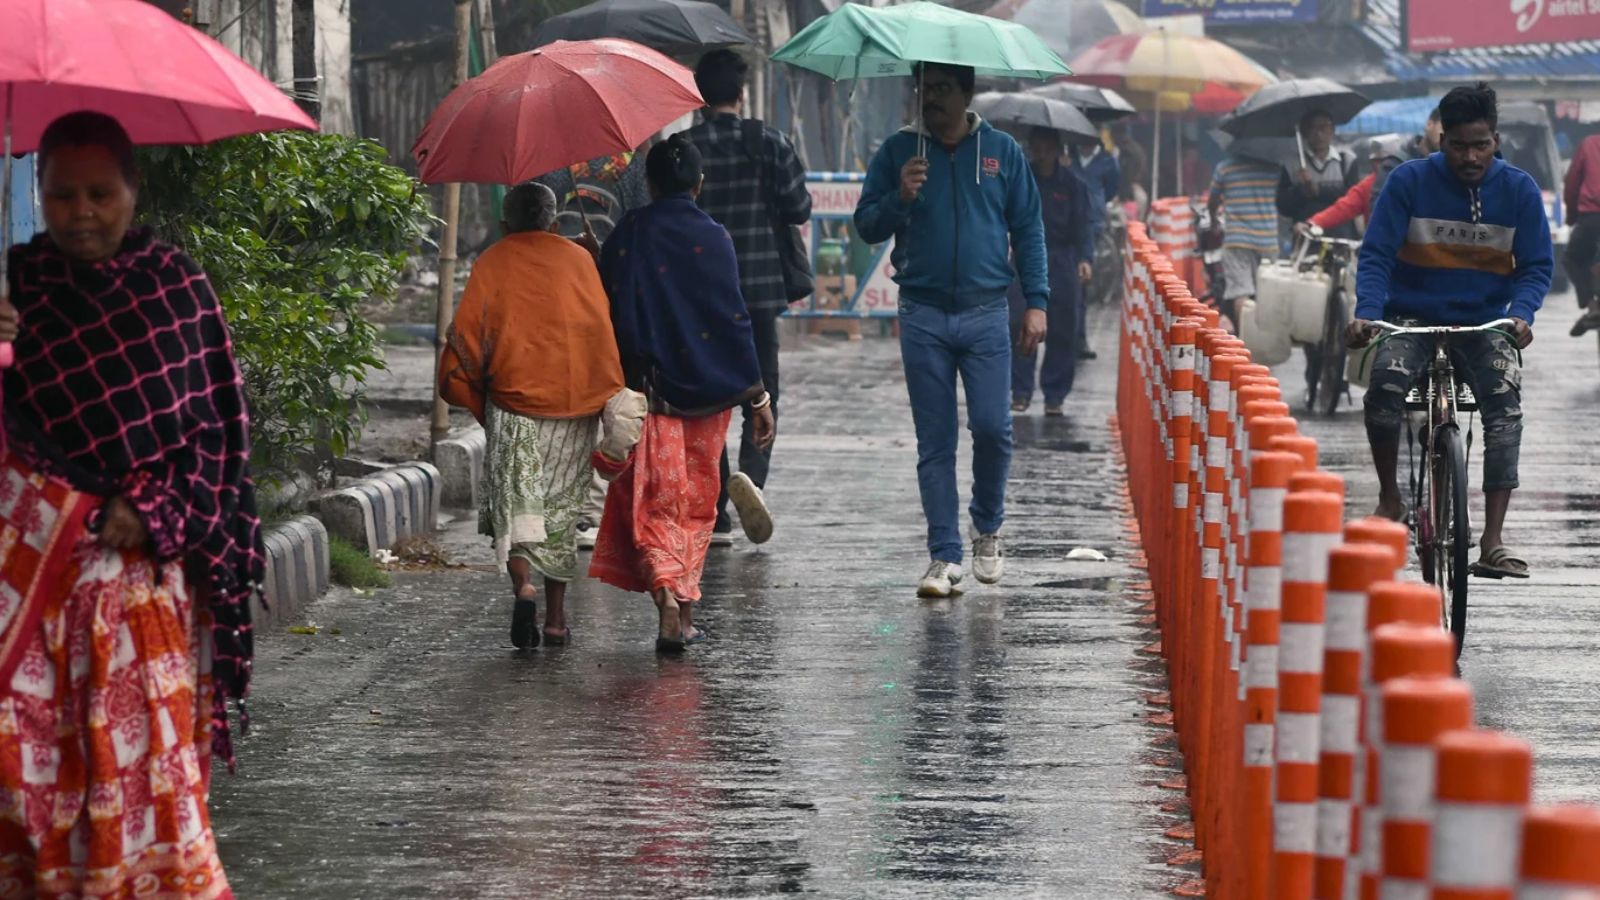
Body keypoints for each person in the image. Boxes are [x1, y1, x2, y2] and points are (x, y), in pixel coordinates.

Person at [0, 111, 265, 895]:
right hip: (25, 589)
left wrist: (153, 507)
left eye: (100, 193)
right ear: (39, 194)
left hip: (134, 584)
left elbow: (217, 435)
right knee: (24, 776)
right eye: (62, 194)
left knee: (136, 771)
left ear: (133, 190)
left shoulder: (174, 291)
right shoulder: (17, 288)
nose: (81, 213)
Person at [854, 62, 1048, 599]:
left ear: (966, 94)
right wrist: (900, 197)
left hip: (987, 313)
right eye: (923, 89)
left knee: (993, 427)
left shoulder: (1002, 152)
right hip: (923, 314)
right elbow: (866, 224)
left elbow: (1028, 228)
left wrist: (1037, 302)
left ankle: (987, 526)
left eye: (941, 89)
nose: (930, 99)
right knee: (935, 441)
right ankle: (944, 555)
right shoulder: (899, 151)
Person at [1346, 82, 1550, 579]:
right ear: (1442, 141)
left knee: (1505, 409)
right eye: (1459, 145)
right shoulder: (1408, 181)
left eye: (1481, 145)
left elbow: (1536, 267)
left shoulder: (1519, 189)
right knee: (1384, 390)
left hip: (1484, 322)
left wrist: (1522, 314)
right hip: (1410, 318)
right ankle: (1390, 499)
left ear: (1495, 140)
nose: (1471, 156)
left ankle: (1492, 540)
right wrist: (1367, 312)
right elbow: (1376, 256)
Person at [591, 135, 776, 652]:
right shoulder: (714, 237)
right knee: (696, 505)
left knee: (652, 505)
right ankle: (686, 611)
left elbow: (609, 305)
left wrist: (597, 258)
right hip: (707, 401)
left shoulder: (629, 233)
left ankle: (666, 596)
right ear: (699, 184)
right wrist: (757, 398)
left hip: (649, 396)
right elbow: (733, 318)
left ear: (649, 185)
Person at [439, 182, 625, 650]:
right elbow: (602, 326)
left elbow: (468, 337)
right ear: (555, 221)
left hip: (513, 403)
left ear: (506, 225)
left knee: (518, 505)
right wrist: (596, 259)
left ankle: (524, 588)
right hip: (575, 405)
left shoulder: (492, 260)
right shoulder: (580, 260)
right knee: (559, 516)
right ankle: (557, 620)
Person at [683, 49, 812, 548]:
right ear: (742, 93)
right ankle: (751, 480)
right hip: (757, 289)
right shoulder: (769, 142)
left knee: (708, 398)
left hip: (698, 294)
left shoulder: (682, 149)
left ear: (699, 96)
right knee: (762, 390)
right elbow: (799, 208)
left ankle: (716, 509)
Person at [534, 152, 652, 552]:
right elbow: (640, 235)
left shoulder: (550, 164)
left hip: (558, 294)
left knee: (570, 399)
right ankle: (591, 511)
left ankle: (564, 506)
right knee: (607, 396)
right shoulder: (633, 165)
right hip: (611, 299)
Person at [1010, 127, 1094, 417]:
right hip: (1024, 257)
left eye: (1047, 149)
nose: (1042, 154)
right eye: (1037, 149)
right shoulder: (1021, 179)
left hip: (1061, 258)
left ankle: (1055, 394)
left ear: (1057, 150)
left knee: (1062, 327)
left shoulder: (1073, 185)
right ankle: (1020, 391)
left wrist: (1085, 258)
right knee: (1020, 323)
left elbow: (1084, 225)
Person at [1206, 152, 1284, 326]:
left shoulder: (1225, 168)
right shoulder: (1275, 169)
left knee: (1241, 292)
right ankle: (1265, 335)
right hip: (1268, 241)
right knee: (1266, 293)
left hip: (1237, 239)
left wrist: (1213, 220)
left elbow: (1212, 201)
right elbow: (1284, 200)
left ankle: (1246, 338)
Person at [1297, 134, 1412, 236]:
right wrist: (1313, 223)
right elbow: (1343, 207)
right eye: (1376, 161)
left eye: (1387, 162)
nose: (1381, 166)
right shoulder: (1367, 185)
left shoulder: (1414, 182)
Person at [1276, 109, 1362, 240]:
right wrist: (1301, 191)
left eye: (1323, 127)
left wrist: (1319, 190)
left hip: (1342, 236)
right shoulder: (1292, 164)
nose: (1318, 134)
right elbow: (1283, 206)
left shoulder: (1346, 161)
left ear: (1332, 130)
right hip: (1306, 235)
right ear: (1304, 132)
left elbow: (1353, 198)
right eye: (1313, 128)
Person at [1070, 133, 1120, 359]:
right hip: (1065, 223)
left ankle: (1079, 339)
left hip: (1091, 224)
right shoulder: (1068, 158)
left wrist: (1094, 203)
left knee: (1081, 285)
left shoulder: (1108, 162)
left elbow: (1111, 189)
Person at [1563, 133, 1600, 336]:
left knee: (1572, 259)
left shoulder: (1589, 144)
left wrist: (1571, 217)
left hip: (1592, 217)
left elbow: (1572, 184)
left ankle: (1592, 306)